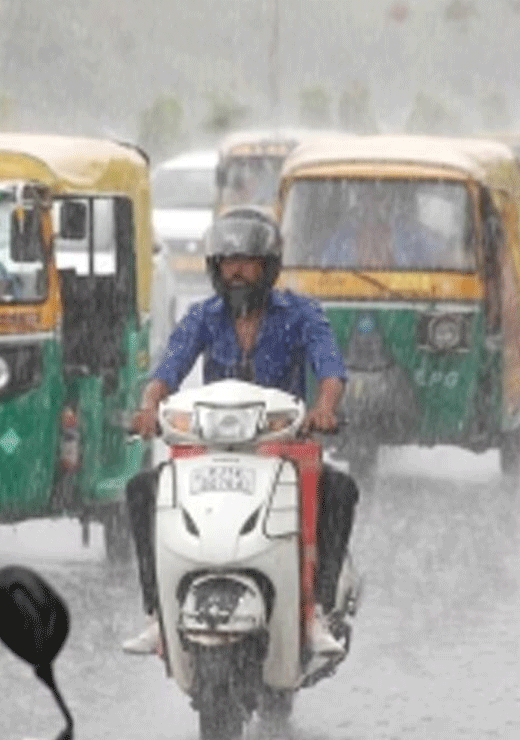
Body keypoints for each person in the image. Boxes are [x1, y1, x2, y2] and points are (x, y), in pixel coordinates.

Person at [120, 206, 359, 658]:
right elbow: (168, 370)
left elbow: (330, 369)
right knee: (142, 490)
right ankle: (158, 614)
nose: (238, 272)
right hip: (212, 447)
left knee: (338, 491)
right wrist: (150, 407)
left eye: (249, 262)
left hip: (284, 447)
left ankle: (316, 613)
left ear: (268, 268)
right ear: (214, 268)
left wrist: (325, 409)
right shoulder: (202, 316)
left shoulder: (303, 313)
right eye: (229, 262)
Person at [319, 185, 443, 269]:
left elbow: (436, 263)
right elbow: (325, 271)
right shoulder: (342, 238)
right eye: (367, 196)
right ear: (361, 200)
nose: (372, 203)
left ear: (390, 199)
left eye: (379, 196)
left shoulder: (411, 235)